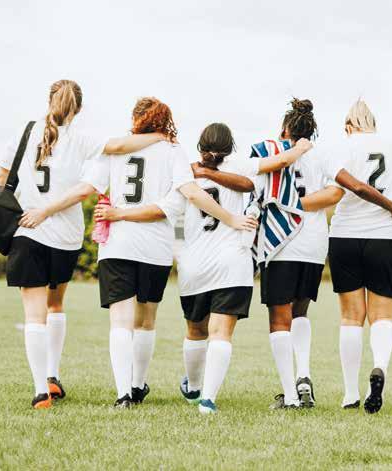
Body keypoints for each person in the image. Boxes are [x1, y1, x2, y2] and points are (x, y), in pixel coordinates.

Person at [26, 97, 257, 408]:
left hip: (117, 245)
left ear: (135, 119)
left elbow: (86, 188)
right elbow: (184, 196)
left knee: (120, 323)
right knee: (146, 321)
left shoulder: (115, 149)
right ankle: (137, 386)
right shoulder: (172, 150)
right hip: (154, 247)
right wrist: (230, 218)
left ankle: (124, 394)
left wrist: (46, 210)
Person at [197, 98, 392, 409]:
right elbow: (335, 192)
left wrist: (285, 205)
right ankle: (304, 375)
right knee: (300, 313)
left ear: (285, 129)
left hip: (280, 244)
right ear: (312, 131)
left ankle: (292, 395)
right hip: (314, 244)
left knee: (279, 320)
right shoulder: (322, 154)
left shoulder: (269, 151)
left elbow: (247, 183)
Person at [95, 123, 312, 414]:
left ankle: (194, 388)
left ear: (200, 147)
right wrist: (300, 147)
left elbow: (167, 212)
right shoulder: (241, 166)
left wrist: (122, 215)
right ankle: (207, 400)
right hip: (233, 262)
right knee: (221, 333)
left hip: (195, 264)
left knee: (195, 331)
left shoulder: (185, 172)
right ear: (231, 147)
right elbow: (280, 162)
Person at [0, 79, 171, 410]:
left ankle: (41, 391)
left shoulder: (24, 132)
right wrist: (159, 136)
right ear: (78, 108)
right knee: (55, 305)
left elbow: (2, 179)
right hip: (64, 235)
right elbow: (119, 145)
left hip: (26, 230)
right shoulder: (80, 140)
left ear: (49, 100)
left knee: (33, 315)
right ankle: (53, 374)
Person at [326, 99, 392, 414]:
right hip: (386, 238)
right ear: (374, 123)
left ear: (348, 126)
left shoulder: (342, 147)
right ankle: (379, 368)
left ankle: (350, 394)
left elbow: (336, 191)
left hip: (345, 237)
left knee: (351, 317)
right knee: (382, 317)